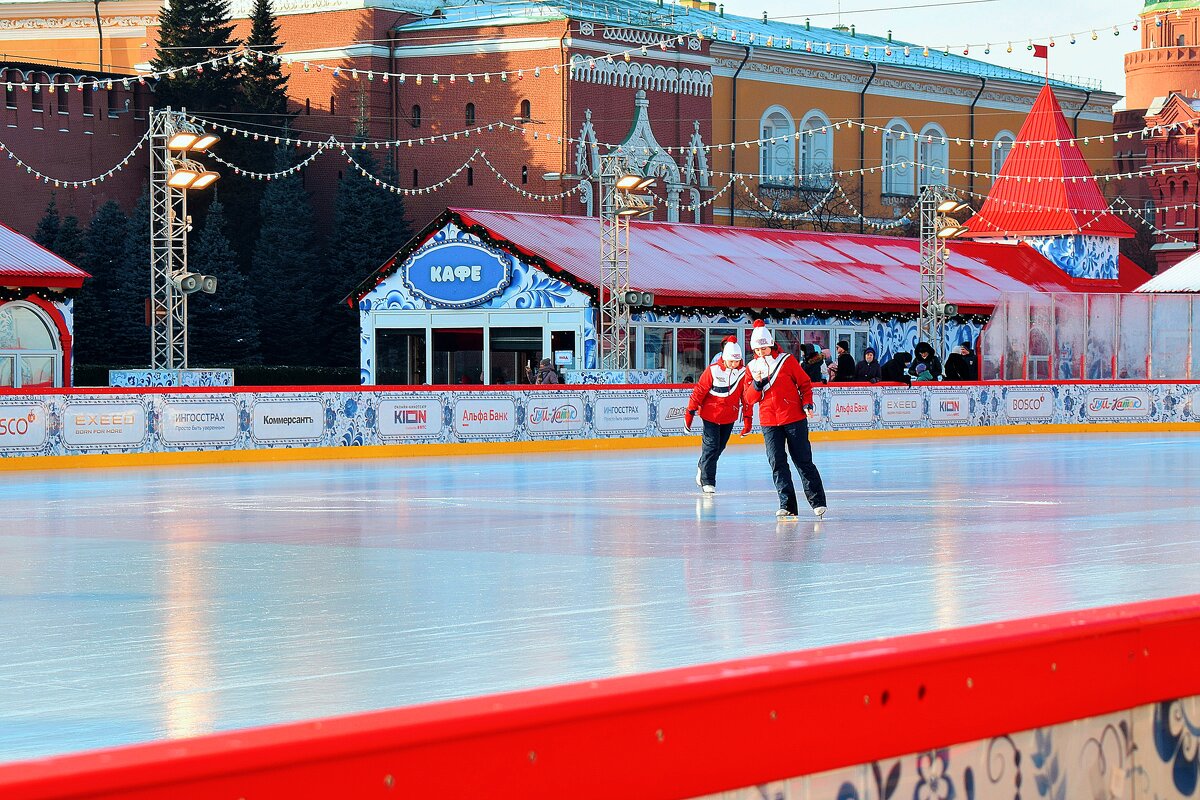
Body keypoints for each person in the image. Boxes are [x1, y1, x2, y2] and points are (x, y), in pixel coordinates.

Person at [743, 320, 828, 519]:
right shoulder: (751, 367)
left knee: (803, 460)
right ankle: (787, 505)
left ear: (771, 344)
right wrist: (756, 385)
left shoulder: (786, 361)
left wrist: (807, 403)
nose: (762, 352)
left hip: (794, 418)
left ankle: (817, 502)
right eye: (758, 349)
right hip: (769, 422)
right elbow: (748, 398)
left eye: (764, 347)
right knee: (777, 463)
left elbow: (805, 383)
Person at [685, 336, 752, 495]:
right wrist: (690, 412)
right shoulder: (713, 370)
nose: (734, 364)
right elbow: (699, 391)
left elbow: (746, 397)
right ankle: (708, 481)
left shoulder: (743, 372)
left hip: (730, 416)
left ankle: (703, 465)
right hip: (710, 415)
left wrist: (748, 419)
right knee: (711, 446)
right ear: (725, 358)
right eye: (731, 361)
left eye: (737, 361)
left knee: (719, 447)